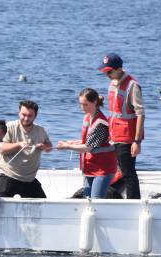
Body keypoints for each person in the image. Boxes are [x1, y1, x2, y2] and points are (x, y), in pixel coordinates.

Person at [98, 53, 145, 199]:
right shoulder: (112, 83)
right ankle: (114, 197)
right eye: (105, 72)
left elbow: (140, 114)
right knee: (114, 169)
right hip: (113, 134)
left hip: (127, 137)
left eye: (110, 71)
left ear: (119, 69)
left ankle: (134, 203)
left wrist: (137, 142)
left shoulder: (132, 85)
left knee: (128, 172)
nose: (107, 75)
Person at [57, 88, 118, 198]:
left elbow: (88, 147)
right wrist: (73, 142)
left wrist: (67, 146)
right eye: (81, 104)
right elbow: (90, 141)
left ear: (94, 102)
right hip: (90, 166)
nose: (82, 108)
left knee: (96, 200)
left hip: (103, 168)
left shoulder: (100, 122)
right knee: (87, 199)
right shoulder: (87, 117)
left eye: (85, 104)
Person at [0, 100, 53, 198]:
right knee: (0, 204)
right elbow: (2, 148)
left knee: (44, 204)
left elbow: (49, 147)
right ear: (19, 113)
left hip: (29, 179)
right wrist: (18, 144)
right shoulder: (9, 127)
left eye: (30, 116)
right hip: (8, 175)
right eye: (23, 115)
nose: (26, 118)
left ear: (35, 116)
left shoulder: (40, 130)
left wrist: (44, 147)